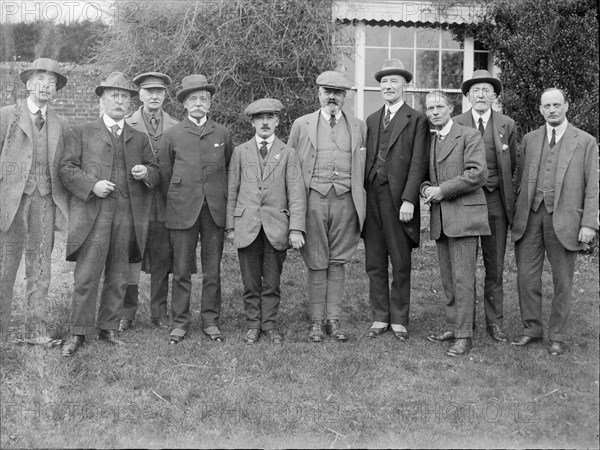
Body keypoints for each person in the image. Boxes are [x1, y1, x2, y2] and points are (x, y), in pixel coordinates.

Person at [59, 72, 159, 357]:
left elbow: (156, 171)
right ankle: (78, 332)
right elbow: (66, 169)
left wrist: (145, 172)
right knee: (86, 275)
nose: (119, 101)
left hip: (126, 215)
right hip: (94, 215)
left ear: (130, 103)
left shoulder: (138, 138)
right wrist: (93, 185)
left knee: (118, 275)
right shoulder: (81, 131)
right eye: (113, 95)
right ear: (102, 99)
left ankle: (108, 327)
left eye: (125, 96)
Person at [511, 88, 598, 355]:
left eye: (557, 105)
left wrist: (589, 224)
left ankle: (557, 335)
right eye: (547, 106)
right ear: (540, 109)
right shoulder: (530, 139)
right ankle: (532, 329)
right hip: (529, 217)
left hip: (565, 220)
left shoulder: (584, 141)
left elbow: (593, 186)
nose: (552, 110)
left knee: (563, 280)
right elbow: (521, 180)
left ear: (566, 106)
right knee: (526, 277)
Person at [288, 71, 367, 343]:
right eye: (327, 91)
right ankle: (316, 322)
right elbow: (291, 168)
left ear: (345, 96)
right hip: (313, 200)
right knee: (316, 260)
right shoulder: (301, 124)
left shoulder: (358, 126)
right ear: (319, 93)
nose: (332, 96)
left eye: (338, 92)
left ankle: (333, 320)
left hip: (346, 200)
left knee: (338, 260)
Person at [0, 58, 70, 346]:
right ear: (28, 84)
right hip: (11, 202)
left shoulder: (61, 123)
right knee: (5, 267)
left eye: (52, 82)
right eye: (40, 80)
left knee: (41, 267)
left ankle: (36, 330)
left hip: (45, 201)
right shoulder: (6, 116)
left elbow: (66, 166)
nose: (46, 86)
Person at [159, 74, 233, 344]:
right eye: (193, 99)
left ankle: (211, 320)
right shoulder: (172, 135)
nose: (199, 104)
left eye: (203, 99)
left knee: (212, 270)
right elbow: (165, 176)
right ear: (184, 104)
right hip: (182, 210)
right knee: (181, 270)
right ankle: (179, 322)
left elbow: (227, 169)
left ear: (210, 104)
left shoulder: (223, 134)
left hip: (214, 211)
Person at [226, 98, 306, 344]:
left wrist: (296, 229)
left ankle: (269, 324)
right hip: (246, 224)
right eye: (259, 118)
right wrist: (230, 225)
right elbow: (232, 190)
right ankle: (252, 324)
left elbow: (296, 193)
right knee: (250, 282)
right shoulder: (240, 152)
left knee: (271, 281)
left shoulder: (288, 153)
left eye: (269, 118)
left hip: (276, 226)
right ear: (252, 122)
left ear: (277, 122)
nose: (265, 123)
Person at [363, 59, 429, 341]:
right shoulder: (372, 119)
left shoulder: (417, 120)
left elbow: (418, 163)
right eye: (384, 82)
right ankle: (380, 316)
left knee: (400, 261)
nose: (388, 86)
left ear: (405, 85)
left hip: (399, 200)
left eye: (394, 82)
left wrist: (409, 200)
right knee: (375, 261)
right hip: (372, 198)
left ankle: (399, 318)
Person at [420, 90, 490, 357]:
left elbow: (477, 174)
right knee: (448, 279)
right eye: (430, 109)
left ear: (450, 108)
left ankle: (464, 336)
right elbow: (427, 177)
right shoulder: (432, 139)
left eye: (439, 106)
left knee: (463, 279)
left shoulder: (469, 135)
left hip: (464, 218)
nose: (434, 112)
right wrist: (427, 189)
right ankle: (453, 325)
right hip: (441, 220)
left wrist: (442, 190)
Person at [453, 69, 519, 342]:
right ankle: (464, 322)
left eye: (486, 90)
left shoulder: (507, 124)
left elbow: (512, 164)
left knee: (495, 265)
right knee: (464, 266)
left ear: (494, 96)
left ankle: (495, 322)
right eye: (475, 90)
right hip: (466, 202)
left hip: (494, 202)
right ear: (468, 96)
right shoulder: (456, 122)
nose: (481, 95)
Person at [119, 71, 179, 331]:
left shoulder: (176, 126)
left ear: (165, 95)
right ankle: (126, 313)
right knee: (130, 257)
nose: (154, 96)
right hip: (134, 200)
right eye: (149, 91)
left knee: (162, 258)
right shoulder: (127, 123)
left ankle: (158, 312)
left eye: (159, 92)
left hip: (165, 203)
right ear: (140, 95)